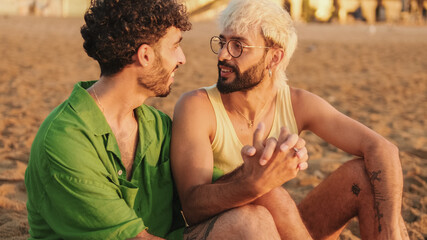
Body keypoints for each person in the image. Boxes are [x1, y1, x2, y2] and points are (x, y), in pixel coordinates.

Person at [25, 1, 283, 239]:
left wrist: (253, 175)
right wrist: (248, 184)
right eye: (175, 46)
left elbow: (204, 193)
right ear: (145, 56)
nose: (182, 59)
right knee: (249, 223)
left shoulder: (156, 126)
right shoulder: (66, 141)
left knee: (264, 202)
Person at [171, 0, 409, 239]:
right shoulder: (197, 106)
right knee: (269, 196)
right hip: (224, 228)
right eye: (222, 42)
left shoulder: (296, 103)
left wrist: (389, 230)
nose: (223, 54)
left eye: (238, 46)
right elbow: (191, 209)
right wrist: (253, 181)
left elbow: (381, 148)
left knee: (364, 176)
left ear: (274, 58)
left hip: (280, 227)